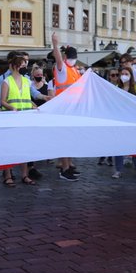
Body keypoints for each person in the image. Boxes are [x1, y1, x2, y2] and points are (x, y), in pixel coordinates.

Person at [0, 53, 36, 187]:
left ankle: (24, 175)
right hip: (11, 118)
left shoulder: (27, 81)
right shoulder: (6, 81)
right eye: (22, 65)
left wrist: (35, 107)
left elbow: (28, 99)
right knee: (9, 147)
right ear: (15, 66)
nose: (24, 67)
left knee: (24, 148)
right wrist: (11, 108)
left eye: (25, 65)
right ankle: (8, 175)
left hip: (25, 118)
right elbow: (2, 101)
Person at [51, 34, 81, 181]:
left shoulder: (75, 70)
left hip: (73, 109)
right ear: (65, 56)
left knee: (71, 139)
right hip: (63, 109)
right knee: (64, 139)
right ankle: (64, 169)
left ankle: (69, 166)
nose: (72, 59)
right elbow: (57, 58)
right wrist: (55, 45)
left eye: (74, 56)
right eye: (71, 56)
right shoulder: (62, 68)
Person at [110, 65, 136, 180]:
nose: (124, 76)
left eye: (126, 74)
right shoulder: (116, 88)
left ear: (131, 76)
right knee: (118, 147)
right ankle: (118, 170)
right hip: (120, 122)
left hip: (134, 122)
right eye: (122, 74)